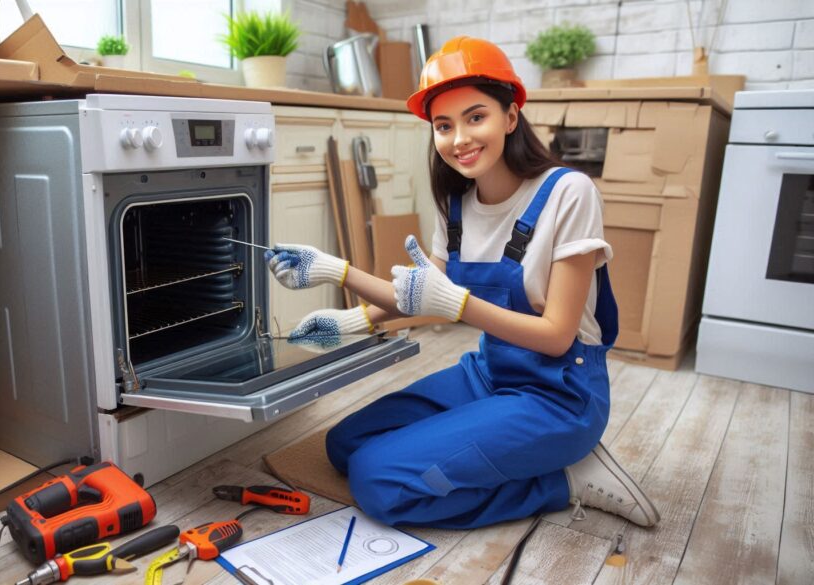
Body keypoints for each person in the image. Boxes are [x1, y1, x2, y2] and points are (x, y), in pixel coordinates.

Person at [263, 36, 660, 530]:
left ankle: (562, 480)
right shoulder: (455, 205)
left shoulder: (568, 193)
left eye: (476, 117)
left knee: (376, 480)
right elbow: (419, 295)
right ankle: (493, 448)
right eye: (443, 125)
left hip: (559, 396)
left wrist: (456, 303)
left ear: (511, 116)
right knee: (343, 446)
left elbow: (557, 334)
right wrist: (338, 285)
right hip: (490, 375)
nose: (459, 139)